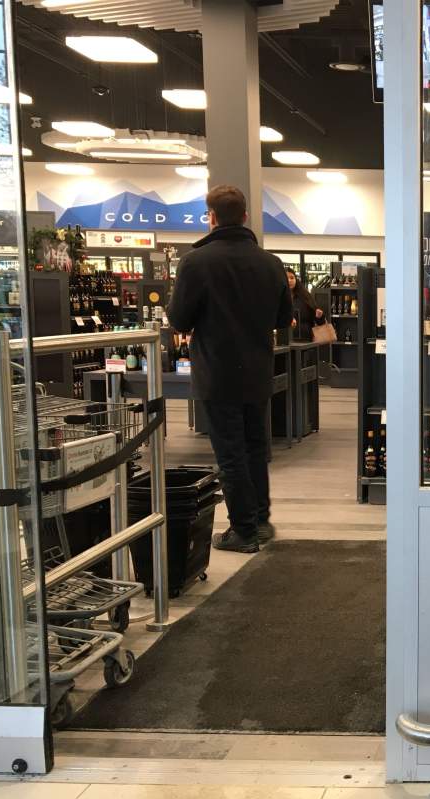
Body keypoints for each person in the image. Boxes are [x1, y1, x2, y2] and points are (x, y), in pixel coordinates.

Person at [168, 185, 292, 553]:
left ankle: (244, 531)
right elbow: (284, 318)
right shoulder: (270, 263)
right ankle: (261, 520)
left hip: (217, 373)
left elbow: (178, 319)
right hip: (257, 370)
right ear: (245, 216)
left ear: (211, 216)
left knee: (230, 453)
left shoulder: (196, 262)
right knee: (256, 448)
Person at [286, 267, 326, 342]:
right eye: (286, 278)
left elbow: (319, 321)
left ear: (296, 280)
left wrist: (319, 316)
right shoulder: (277, 298)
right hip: (283, 341)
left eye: (292, 278)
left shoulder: (305, 297)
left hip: (305, 340)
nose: (289, 280)